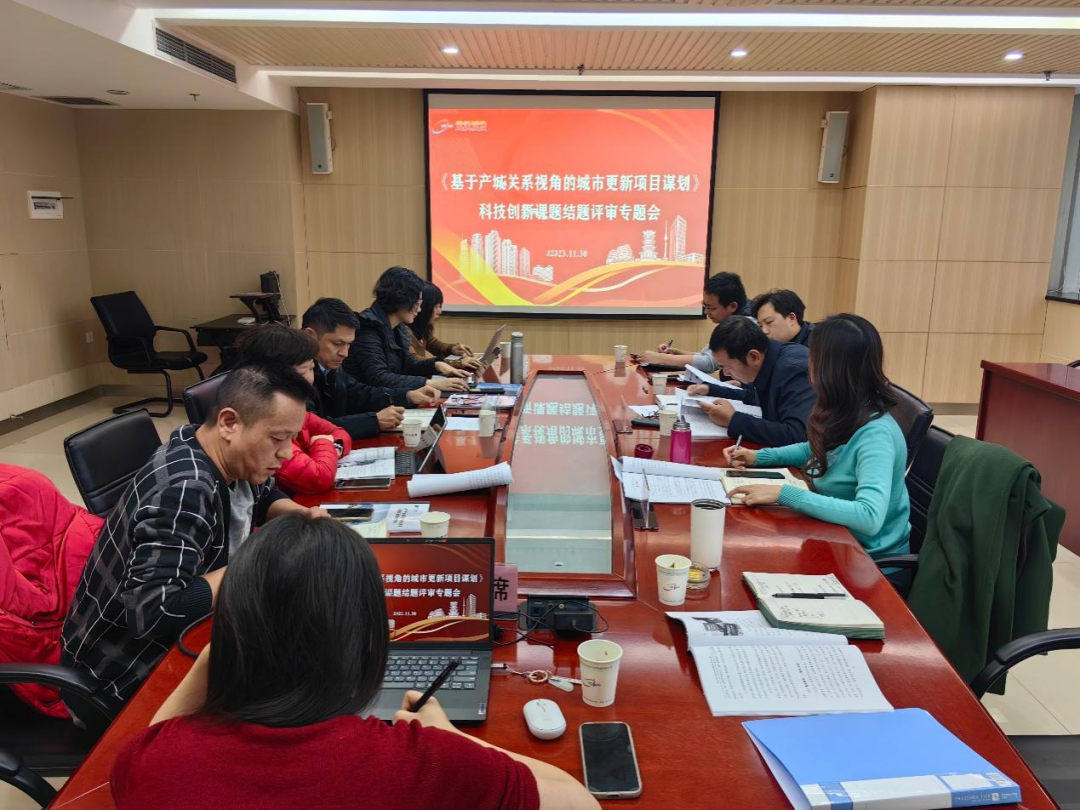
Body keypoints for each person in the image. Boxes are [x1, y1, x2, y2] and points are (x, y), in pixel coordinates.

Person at [110, 515, 600, 810]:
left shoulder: (151, 763)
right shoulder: (423, 763)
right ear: (367, 643)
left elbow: (151, 742)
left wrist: (225, 649)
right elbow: (578, 802)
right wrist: (449, 735)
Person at [61, 364, 332, 714]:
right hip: (125, 672)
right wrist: (255, 563)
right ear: (229, 423)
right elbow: (153, 613)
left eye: (292, 439)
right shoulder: (185, 490)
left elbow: (262, 495)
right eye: (278, 439)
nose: (287, 453)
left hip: (182, 634)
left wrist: (302, 514)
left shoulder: (217, 448)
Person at [725, 314, 911, 565]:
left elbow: (869, 516)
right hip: (832, 536)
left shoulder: (876, 434)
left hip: (866, 561)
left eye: (813, 357)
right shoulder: (846, 408)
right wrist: (758, 457)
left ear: (831, 369)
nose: (808, 364)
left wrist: (784, 494)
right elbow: (816, 448)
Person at [235, 324, 351, 496]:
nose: (310, 379)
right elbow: (317, 478)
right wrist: (323, 443)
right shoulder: (266, 423)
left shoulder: (295, 410)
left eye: (312, 369)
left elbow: (339, 432)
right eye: (303, 372)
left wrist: (333, 448)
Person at [301, 297, 439, 440]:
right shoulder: (297, 373)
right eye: (337, 343)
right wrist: (374, 421)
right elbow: (313, 427)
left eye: (349, 344)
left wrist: (407, 396)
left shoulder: (329, 365)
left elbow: (361, 394)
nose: (345, 353)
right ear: (310, 336)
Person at [687, 317, 815, 447]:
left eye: (727, 366)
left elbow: (797, 435)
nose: (725, 373)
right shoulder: (768, 359)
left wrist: (732, 420)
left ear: (753, 356)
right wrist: (712, 390)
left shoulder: (793, 371)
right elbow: (754, 397)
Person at [347, 267, 471, 392]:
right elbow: (379, 378)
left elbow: (409, 363)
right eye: (417, 304)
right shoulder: (367, 328)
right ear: (401, 299)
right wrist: (430, 383)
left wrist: (437, 365)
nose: (419, 309)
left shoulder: (398, 326)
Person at [635, 271, 752, 371]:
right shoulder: (732, 321)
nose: (706, 312)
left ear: (732, 306)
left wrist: (662, 358)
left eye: (711, 308)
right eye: (704, 306)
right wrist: (676, 353)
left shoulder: (743, 327)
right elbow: (706, 355)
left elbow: (709, 362)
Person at [409, 282, 482, 372]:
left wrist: (452, 349)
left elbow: (433, 344)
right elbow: (414, 360)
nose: (440, 311)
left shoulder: (421, 328)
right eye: (436, 306)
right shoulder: (404, 330)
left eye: (440, 306)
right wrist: (457, 363)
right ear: (424, 307)